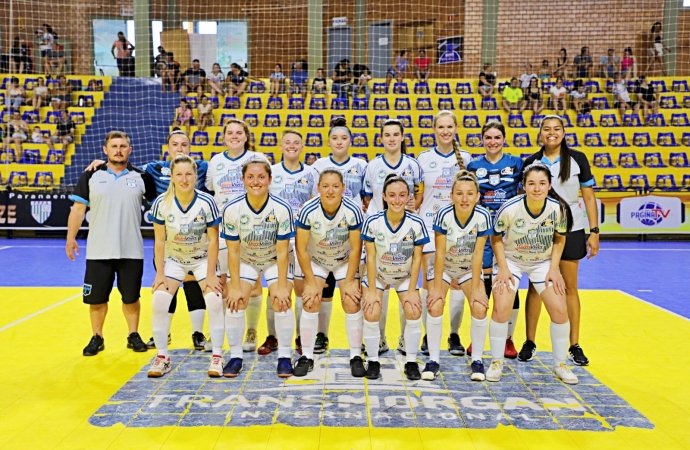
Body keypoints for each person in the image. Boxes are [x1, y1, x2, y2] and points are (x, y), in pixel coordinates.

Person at [85, 129, 211, 351]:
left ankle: (198, 333)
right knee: (166, 286)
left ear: (190, 148)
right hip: (168, 242)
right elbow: (123, 167)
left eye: (184, 145)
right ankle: (165, 334)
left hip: (195, 241)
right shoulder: (153, 169)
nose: (180, 148)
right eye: (175, 144)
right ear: (168, 148)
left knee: (192, 285)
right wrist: (102, 163)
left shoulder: (203, 167)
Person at [66, 131, 158, 356]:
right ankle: (97, 336)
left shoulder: (142, 177)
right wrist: (70, 238)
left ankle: (133, 335)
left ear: (130, 150)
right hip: (99, 250)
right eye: (114, 146)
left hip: (131, 250)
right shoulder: (91, 175)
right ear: (105, 150)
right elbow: (78, 210)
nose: (119, 149)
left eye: (123, 146)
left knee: (131, 297)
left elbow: (159, 209)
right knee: (96, 299)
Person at [520, 115, 599, 367]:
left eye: (557, 129)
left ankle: (574, 344)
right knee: (535, 288)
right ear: (540, 133)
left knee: (570, 288)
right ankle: (529, 342)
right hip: (539, 233)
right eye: (546, 129)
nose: (551, 133)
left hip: (573, 229)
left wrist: (594, 231)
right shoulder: (531, 162)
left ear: (563, 133)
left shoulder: (577, 159)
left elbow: (588, 197)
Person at [489, 162, 577, 385]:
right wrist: (503, 268)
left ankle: (560, 365)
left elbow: (560, 238)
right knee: (501, 309)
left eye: (542, 183)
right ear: (524, 186)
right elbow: (496, 238)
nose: (537, 188)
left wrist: (553, 269)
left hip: (542, 262)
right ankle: (496, 362)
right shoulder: (510, 208)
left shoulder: (557, 209)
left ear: (549, 185)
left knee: (559, 311)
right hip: (511, 260)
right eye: (531, 184)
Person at [147, 154, 223, 377]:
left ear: (195, 176)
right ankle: (163, 357)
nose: (184, 179)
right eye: (179, 174)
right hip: (175, 262)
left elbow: (214, 240)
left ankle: (217, 356)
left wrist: (211, 275)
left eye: (188, 174)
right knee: (159, 300)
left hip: (202, 261)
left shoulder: (206, 202)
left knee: (214, 300)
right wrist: (160, 273)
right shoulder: (162, 203)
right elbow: (159, 240)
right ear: (171, 176)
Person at [221, 160, 296, 377]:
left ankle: (284, 355)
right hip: (246, 259)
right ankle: (235, 356)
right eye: (251, 177)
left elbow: (282, 252)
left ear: (270, 180)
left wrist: (282, 287)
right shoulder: (232, 209)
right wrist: (234, 287)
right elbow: (233, 252)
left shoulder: (281, 208)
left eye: (261, 177)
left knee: (282, 301)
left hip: (274, 259)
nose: (256, 182)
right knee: (235, 302)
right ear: (243, 180)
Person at [302, 119, 368, 354]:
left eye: (344, 138)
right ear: (328, 142)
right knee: (322, 291)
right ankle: (321, 335)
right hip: (323, 236)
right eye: (335, 138)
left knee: (352, 294)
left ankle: (358, 347)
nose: (339, 142)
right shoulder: (318, 165)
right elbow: (313, 196)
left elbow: (367, 197)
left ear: (350, 142)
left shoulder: (361, 165)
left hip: (348, 232)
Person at [206, 119, 270, 352]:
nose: (234, 136)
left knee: (250, 282)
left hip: (252, 228)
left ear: (246, 136)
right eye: (230, 133)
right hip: (224, 228)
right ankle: (218, 330)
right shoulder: (216, 161)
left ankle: (251, 330)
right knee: (222, 282)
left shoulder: (258, 159)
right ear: (224, 137)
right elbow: (211, 189)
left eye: (239, 133)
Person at [294, 170, 365, 376]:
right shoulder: (308, 210)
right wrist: (311, 281)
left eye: (335, 186)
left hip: (344, 260)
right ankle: (307, 356)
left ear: (343, 188)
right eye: (325, 186)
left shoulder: (353, 210)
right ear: (318, 188)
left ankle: (355, 356)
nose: (330, 190)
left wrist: (350, 280)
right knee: (310, 299)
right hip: (317, 260)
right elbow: (301, 248)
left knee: (351, 300)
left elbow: (355, 249)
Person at [363, 119, 423, 354]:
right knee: (379, 283)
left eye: (395, 134)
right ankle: (378, 338)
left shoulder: (413, 165)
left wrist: (409, 210)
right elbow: (368, 198)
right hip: (379, 232)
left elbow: (418, 194)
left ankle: (403, 339)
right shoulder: (373, 165)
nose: (391, 138)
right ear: (381, 138)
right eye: (387, 135)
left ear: (402, 137)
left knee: (405, 282)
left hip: (406, 230)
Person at [361, 174, 429, 380]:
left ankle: (411, 361)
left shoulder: (416, 222)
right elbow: (370, 258)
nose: (397, 200)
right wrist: (372, 290)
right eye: (392, 195)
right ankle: (372, 360)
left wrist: (412, 290)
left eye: (401, 195)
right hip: (379, 275)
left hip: (404, 276)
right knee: (372, 311)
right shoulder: (373, 221)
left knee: (414, 310)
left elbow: (418, 259)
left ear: (408, 196)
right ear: (384, 196)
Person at [466, 121, 524, 359]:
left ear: (504, 139)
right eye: (488, 137)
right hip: (481, 230)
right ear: (482, 140)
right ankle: (477, 336)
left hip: (509, 233)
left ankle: (508, 339)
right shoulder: (473, 165)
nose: (492, 141)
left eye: (497, 137)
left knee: (509, 282)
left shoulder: (516, 163)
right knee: (482, 279)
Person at [426, 171, 492, 380]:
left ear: (477, 196)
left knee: (480, 306)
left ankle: (478, 361)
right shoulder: (443, 215)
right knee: (435, 303)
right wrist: (436, 287)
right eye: (460, 194)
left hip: (467, 268)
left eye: (470, 194)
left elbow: (478, 254)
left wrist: (476, 290)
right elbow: (440, 253)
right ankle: (433, 360)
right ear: (452, 196)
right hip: (444, 267)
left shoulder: (483, 216)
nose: (465, 199)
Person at [417, 111, 472, 357]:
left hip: (459, 230)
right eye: (441, 127)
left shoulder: (467, 159)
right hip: (429, 228)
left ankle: (453, 334)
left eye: (450, 126)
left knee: (457, 283)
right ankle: (430, 334)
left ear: (456, 128)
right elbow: (416, 194)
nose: (445, 131)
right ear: (434, 129)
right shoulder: (423, 159)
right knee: (432, 284)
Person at [261, 130, 318, 356]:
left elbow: (316, 204)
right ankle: (273, 336)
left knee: (302, 288)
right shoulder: (272, 172)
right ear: (281, 146)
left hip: (304, 239)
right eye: (288, 142)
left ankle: (300, 338)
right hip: (276, 239)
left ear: (302, 147)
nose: (292, 146)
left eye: (296, 143)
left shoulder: (312, 173)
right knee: (275, 288)